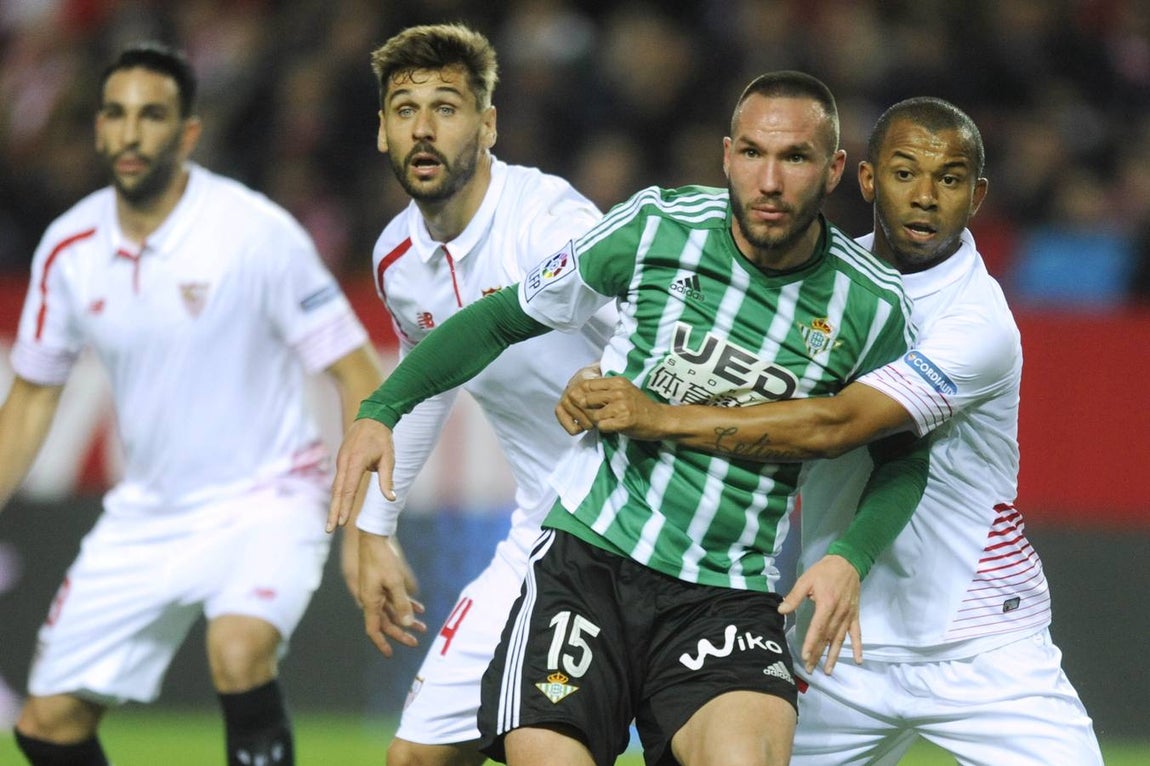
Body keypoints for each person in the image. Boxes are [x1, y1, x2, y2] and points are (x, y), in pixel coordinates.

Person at [329, 71, 929, 766]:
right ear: (727, 155)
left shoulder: (872, 306)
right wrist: (381, 409)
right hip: (589, 561)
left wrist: (850, 558)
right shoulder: (657, 228)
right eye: (753, 154)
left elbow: (904, 454)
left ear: (833, 170)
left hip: (726, 590)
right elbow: (501, 317)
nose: (769, 181)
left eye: (794, 158)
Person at [557, 97, 1104, 764]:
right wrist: (611, 379)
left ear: (977, 196)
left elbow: (836, 425)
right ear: (868, 180)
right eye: (905, 173)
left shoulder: (978, 324)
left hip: (979, 639)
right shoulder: (825, 281)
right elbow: (708, 353)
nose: (925, 196)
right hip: (838, 638)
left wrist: (655, 415)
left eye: (950, 179)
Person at [0, 42, 384, 766]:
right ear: (99, 129)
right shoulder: (69, 249)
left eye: (152, 116)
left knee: (238, 652)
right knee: (47, 726)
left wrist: (368, 522)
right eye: (116, 114)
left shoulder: (255, 233)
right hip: (147, 512)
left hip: (267, 495)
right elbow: (29, 401)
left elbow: (359, 372)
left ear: (187, 134)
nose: (131, 133)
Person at [335, 23, 613, 766]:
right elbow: (427, 384)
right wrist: (376, 527)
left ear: (488, 125)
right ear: (382, 132)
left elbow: (653, 320)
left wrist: (611, 373)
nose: (424, 129)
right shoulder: (398, 259)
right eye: (405, 110)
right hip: (540, 531)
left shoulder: (548, 222)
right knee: (415, 757)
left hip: (636, 529)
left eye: (447, 108)